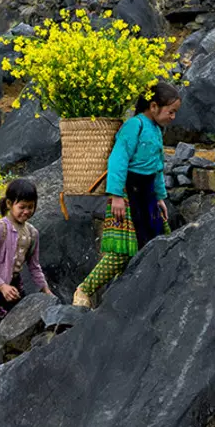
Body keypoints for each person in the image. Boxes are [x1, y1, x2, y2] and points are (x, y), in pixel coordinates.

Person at [73, 81, 181, 307]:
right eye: (170, 112)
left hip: (148, 195)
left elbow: (157, 166)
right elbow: (118, 158)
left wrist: (160, 197)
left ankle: (129, 297)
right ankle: (84, 289)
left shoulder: (156, 130)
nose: (173, 117)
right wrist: (116, 196)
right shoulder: (134, 126)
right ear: (153, 106)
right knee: (122, 252)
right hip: (128, 194)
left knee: (152, 244)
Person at [0, 178, 53, 369]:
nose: (26, 212)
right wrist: (1, 286)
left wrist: (46, 291)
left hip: (14, 288)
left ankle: (7, 369)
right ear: (10, 204)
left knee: (14, 332)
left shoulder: (32, 233)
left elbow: (34, 266)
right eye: (22, 207)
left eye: (31, 207)